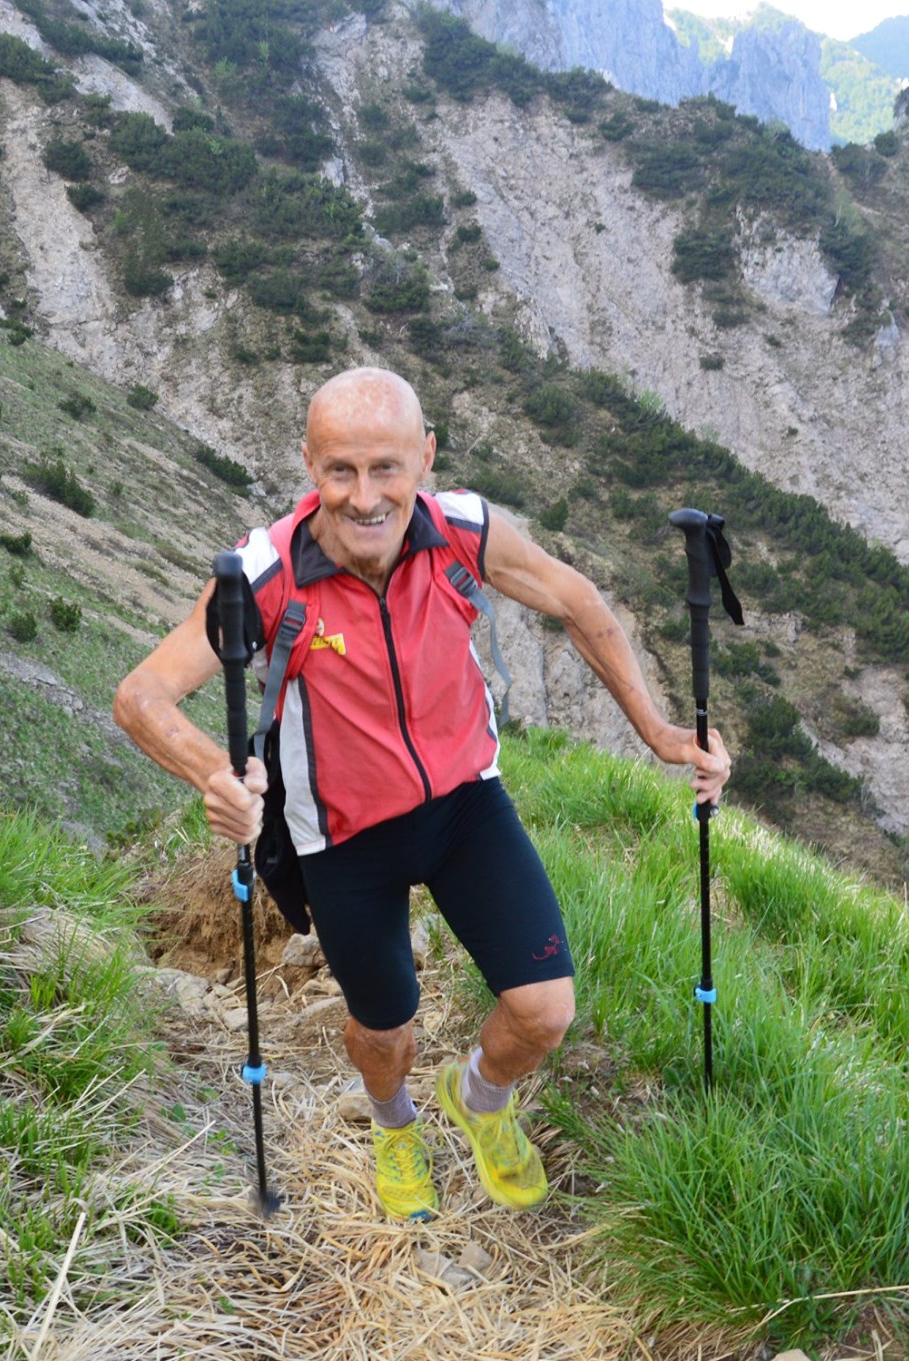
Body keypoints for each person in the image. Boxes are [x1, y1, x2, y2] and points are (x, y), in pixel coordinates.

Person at [114, 367, 731, 1221]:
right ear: (308, 463)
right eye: (340, 470)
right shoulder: (266, 576)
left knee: (546, 1010)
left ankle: (478, 1096)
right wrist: (212, 776)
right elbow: (141, 696)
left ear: (425, 458)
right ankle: (394, 1121)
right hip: (343, 839)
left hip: (464, 804)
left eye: (386, 469)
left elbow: (574, 598)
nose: (365, 497)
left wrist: (659, 731)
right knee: (385, 1030)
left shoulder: (462, 530)